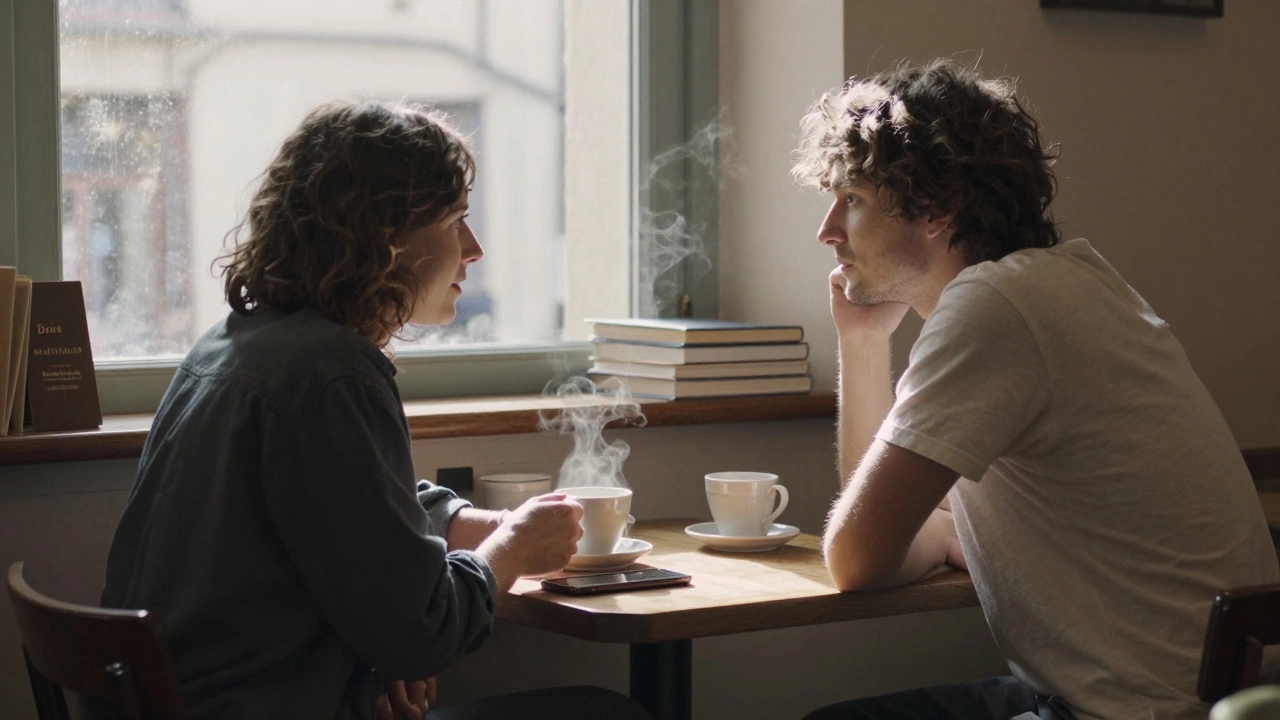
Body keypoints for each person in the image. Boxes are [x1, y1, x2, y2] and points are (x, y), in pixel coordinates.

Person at [98, 102, 650, 720]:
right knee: (608, 713)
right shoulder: (333, 374)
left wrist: (462, 522)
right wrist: (515, 548)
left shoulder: (236, 345)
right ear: (385, 238)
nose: (475, 249)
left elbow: (342, 506)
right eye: (455, 221)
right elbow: (424, 633)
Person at [792, 60, 1279, 720]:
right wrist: (864, 342)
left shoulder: (993, 311)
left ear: (937, 208)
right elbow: (880, 517)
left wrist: (935, 539)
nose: (827, 230)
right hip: (1204, 698)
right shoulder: (1067, 282)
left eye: (852, 200)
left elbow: (856, 553)